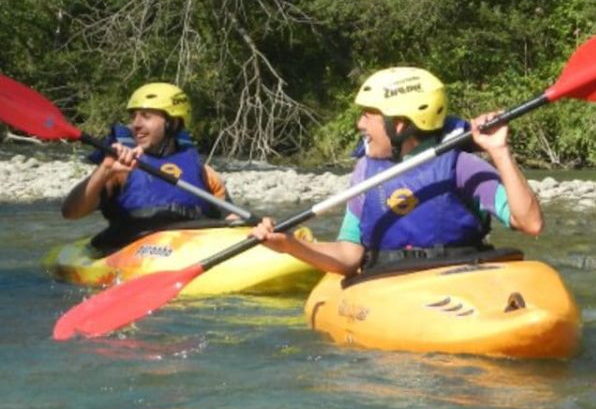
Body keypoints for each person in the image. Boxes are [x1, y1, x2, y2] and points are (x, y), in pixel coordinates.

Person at [252, 67, 542, 276]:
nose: (360, 124)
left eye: (368, 115)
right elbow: (349, 256)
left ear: (399, 125)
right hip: (391, 287)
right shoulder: (365, 173)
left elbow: (530, 224)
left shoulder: (462, 166)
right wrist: (290, 245)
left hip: (459, 279)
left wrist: (499, 151)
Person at [60, 82, 237, 253]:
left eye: (146, 116)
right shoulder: (120, 169)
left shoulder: (205, 173)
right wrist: (105, 170)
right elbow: (71, 212)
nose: (136, 124)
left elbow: (233, 220)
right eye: (134, 117)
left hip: (191, 249)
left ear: (173, 123)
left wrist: (252, 230)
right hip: (133, 252)